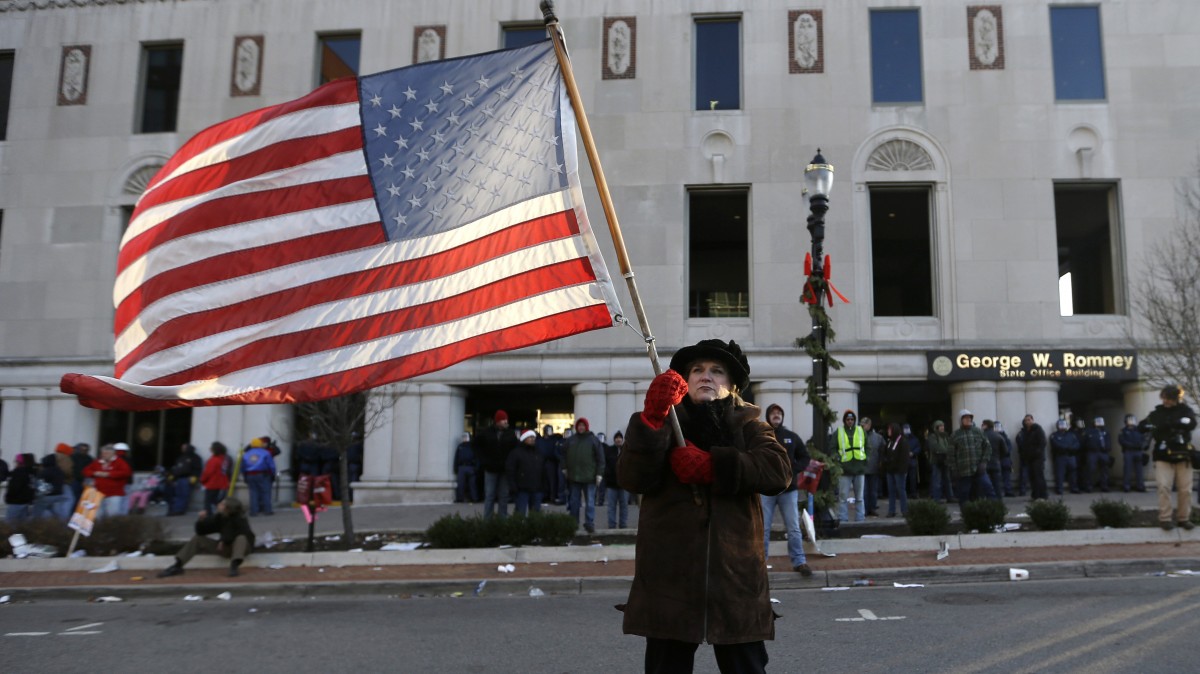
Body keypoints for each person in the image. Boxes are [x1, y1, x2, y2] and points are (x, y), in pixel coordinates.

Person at [617, 339, 791, 673]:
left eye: (716, 371)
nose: (705, 376)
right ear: (684, 381)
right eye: (696, 370)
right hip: (671, 582)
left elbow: (778, 471)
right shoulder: (666, 423)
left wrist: (715, 465)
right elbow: (631, 477)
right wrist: (650, 423)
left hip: (735, 581)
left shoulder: (752, 425)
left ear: (732, 385)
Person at [760, 403, 812, 576]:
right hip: (766, 490)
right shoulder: (760, 435)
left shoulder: (791, 437)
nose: (776, 415)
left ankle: (799, 562)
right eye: (773, 413)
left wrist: (793, 469)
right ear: (768, 416)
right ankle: (760, 563)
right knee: (763, 528)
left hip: (789, 490)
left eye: (779, 413)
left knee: (794, 528)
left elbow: (805, 457)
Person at [1138, 385, 1197, 531]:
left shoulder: (1185, 411)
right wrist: (1152, 426)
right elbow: (1142, 426)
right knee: (1163, 487)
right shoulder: (1158, 413)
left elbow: (1192, 423)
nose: (1165, 401)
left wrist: (1176, 424)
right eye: (1163, 398)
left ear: (1175, 398)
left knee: (1185, 489)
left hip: (1183, 455)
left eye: (1168, 399)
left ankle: (1184, 518)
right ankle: (1165, 518)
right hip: (1163, 455)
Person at [157, 497, 256, 578]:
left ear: (228, 508)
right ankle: (177, 565)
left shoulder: (240, 519)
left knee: (241, 538)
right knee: (198, 539)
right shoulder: (219, 517)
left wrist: (224, 540)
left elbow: (240, 533)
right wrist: (201, 520)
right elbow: (202, 531)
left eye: (222, 504)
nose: (219, 506)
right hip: (225, 548)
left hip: (241, 549)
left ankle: (234, 566)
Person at [563, 417, 605, 534]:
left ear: (586, 427)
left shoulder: (593, 440)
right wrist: (564, 468)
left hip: (590, 477)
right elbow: (563, 455)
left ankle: (589, 523)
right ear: (576, 427)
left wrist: (599, 474)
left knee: (590, 502)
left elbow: (601, 458)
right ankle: (573, 523)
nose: (581, 427)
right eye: (579, 425)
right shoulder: (570, 440)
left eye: (583, 425)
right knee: (574, 502)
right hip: (574, 477)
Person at [475, 410, 519, 519]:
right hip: (490, 469)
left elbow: (515, 450)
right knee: (490, 495)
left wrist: (511, 464)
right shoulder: (486, 433)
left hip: (505, 470)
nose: (505, 422)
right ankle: (487, 521)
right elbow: (476, 446)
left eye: (506, 419)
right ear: (497, 421)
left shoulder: (510, 434)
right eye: (503, 420)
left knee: (504, 496)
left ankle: (502, 520)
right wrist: (483, 460)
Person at [948, 410, 991, 503]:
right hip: (963, 471)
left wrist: (984, 462)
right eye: (966, 418)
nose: (969, 420)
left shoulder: (978, 432)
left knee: (987, 489)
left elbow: (987, 447)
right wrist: (954, 469)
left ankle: (992, 511)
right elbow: (951, 454)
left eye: (970, 418)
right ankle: (966, 514)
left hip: (979, 469)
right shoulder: (955, 435)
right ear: (961, 420)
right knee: (964, 494)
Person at [833, 409, 867, 523]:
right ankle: (843, 519)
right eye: (848, 419)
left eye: (852, 419)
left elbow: (868, 447)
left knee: (860, 497)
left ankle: (860, 519)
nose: (850, 421)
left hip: (859, 469)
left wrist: (866, 460)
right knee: (843, 497)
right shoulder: (839, 432)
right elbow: (832, 448)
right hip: (844, 470)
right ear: (844, 420)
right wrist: (837, 459)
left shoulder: (861, 431)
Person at [83, 443, 133, 518]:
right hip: (97, 493)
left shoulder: (119, 462)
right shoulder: (97, 462)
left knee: (113, 516)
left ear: (112, 454)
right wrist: (95, 473)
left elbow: (126, 472)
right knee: (97, 516)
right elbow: (85, 471)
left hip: (114, 494)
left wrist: (109, 474)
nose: (104, 455)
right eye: (103, 453)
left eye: (106, 453)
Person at [506, 429, 545, 515]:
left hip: (536, 488)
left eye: (533, 437)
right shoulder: (516, 453)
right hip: (521, 489)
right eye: (530, 437)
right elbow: (510, 470)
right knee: (520, 514)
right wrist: (513, 487)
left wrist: (543, 486)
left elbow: (543, 470)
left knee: (536, 515)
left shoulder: (538, 453)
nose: (532, 439)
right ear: (524, 438)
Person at [880, 422, 911, 517]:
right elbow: (886, 453)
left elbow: (904, 457)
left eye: (890, 429)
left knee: (901, 490)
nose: (888, 431)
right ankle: (891, 510)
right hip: (890, 470)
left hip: (899, 471)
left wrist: (901, 469)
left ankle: (904, 510)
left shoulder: (902, 441)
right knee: (891, 491)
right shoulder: (890, 441)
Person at [241, 437, 277, 516]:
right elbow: (271, 465)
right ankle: (267, 510)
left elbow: (242, 466)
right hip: (263, 474)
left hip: (250, 474)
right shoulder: (266, 453)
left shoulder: (246, 454)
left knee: (253, 493)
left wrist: (244, 476)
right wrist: (273, 474)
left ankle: (254, 511)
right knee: (265, 492)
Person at [1015, 415, 1049, 500]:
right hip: (1029, 458)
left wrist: (1037, 452)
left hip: (1037, 458)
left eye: (1029, 420)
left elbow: (1042, 442)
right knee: (1032, 477)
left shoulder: (1038, 429)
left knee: (1039, 477)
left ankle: (1042, 495)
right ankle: (1035, 495)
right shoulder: (1025, 432)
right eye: (1026, 420)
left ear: (1032, 420)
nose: (1027, 422)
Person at [167, 443, 203, 516]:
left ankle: (179, 510)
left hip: (187, 479)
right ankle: (174, 509)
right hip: (178, 479)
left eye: (184, 448)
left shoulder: (195, 458)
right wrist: (172, 476)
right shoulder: (181, 457)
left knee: (184, 495)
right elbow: (176, 468)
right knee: (177, 495)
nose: (182, 449)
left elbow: (197, 469)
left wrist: (195, 477)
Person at [605, 431, 630, 529]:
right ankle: (612, 524)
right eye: (617, 438)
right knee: (611, 506)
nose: (618, 439)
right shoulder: (609, 450)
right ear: (614, 440)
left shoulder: (626, 451)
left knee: (624, 506)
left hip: (624, 484)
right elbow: (606, 464)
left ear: (622, 439)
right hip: (612, 484)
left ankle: (623, 524)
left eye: (620, 438)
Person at [1049, 419, 1081, 496]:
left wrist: (1071, 448)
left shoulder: (1072, 435)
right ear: (1057, 426)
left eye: (1064, 425)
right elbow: (1056, 445)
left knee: (1073, 473)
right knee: (1060, 474)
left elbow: (1077, 444)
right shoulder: (1054, 435)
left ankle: (1074, 488)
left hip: (1071, 456)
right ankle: (1059, 489)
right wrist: (1067, 448)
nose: (1062, 427)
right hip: (1060, 457)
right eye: (1061, 425)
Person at [200, 442, 231, 515]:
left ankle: (209, 517)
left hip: (213, 484)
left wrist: (202, 480)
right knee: (219, 503)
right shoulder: (225, 459)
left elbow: (208, 473)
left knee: (209, 503)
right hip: (223, 484)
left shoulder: (213, 460)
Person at [861, 417, 884, 517]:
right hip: (862, 468)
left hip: (874, 467)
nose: (862, 426)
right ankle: (865, 509)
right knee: (864, 491)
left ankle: (872, 508)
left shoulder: (878, 437)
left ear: (869, 425)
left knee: (873, 491)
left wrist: (881, 462)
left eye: (864, 425)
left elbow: (883, 450)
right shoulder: (858, 436)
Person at [1118, 414, 1147, 493]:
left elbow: (1143, 440)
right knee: (1127, 469)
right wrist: (1131, 445)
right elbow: (1122, 441)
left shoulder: (1138, 430)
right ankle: (1126, 486)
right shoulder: (1123, 431)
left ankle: (1140, 486)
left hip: (1138, 451)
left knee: (1139, 470)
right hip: (1128, 451)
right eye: (1129, 420)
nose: (1131, 422)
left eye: (1132, 420)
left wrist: (1140, 445)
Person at [926, 421, 954, 503]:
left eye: (943, 425)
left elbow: (950, 446)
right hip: (936, 461)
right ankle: (936, 498)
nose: (942, 427)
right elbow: (935, 447)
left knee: (948, 480)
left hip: (945, 460)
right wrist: (947, 451)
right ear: (936, 427)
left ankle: (950, 497)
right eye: (940, 426)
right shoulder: (932, 436)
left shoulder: (945, 436)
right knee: (937, 480)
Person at [4, 453, 37, 523]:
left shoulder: (18, 472)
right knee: (22, 526)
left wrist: (8, 497)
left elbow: (14, 488)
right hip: (26, 503)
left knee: (9, 526)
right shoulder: (32, 472)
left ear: (20, 462)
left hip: (15, 502)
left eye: (16, 461)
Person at [536, 424, 564, 505]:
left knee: (552, 481)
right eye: (548, 430)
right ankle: (544, 496)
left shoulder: (555, 440)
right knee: (543, 481)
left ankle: (552, 496)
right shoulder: (540, 441)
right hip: (541, 462)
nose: (549, 432)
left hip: (551, 462)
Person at [1083, 417, 1111, 493]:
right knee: (1090, 469)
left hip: (1103, 452)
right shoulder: (1088, 431)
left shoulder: (1105, 431)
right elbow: (1084, 442)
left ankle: (1104, 486)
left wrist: (1107, 448)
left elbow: (1108, 441)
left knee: (1104, 470)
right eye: (1097, 422)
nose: (1099, 424)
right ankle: (1088, 486)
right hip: (1092, 452)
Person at [980, 420, 1005, 503]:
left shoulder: (981, 436)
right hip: (996, 463)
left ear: (986, 425)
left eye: (983, 424)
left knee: (984, 485)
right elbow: (1005, 451)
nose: (981, 426)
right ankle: (999, 503)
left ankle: (986, 503)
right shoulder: (998, 436)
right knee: (997, 485)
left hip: (984, 464)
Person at [453, 432, 479, 504]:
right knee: (460, 484)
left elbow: (477, 458)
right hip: (462, 467)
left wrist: (476, 468)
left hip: (471, 467)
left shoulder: (473, 446)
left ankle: (474, 498)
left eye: (466, 437)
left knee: (472, 484)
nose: (464, 438)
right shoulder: (460, 446)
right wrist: (456, 468)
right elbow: (456, 458)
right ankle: (460, 498)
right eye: (463, 437)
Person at [995, 422, 1016, 497]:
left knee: (1006, 476)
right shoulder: (1003, 437)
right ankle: (1005, 491)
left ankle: (1007, 490)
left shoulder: (1005, 437)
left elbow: (1009, 448)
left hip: (1004, 459)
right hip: (999, 459)